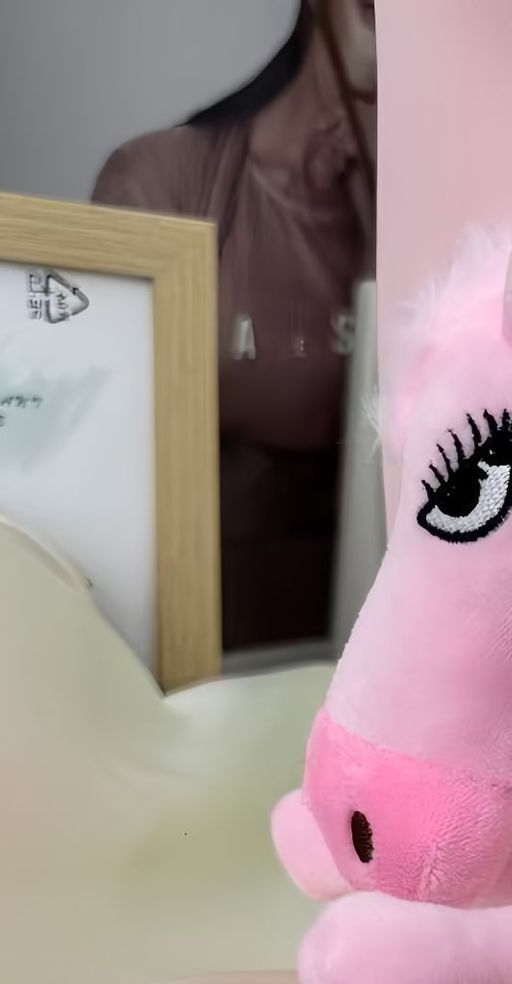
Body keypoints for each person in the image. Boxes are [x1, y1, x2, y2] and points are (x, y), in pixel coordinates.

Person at [93, 0, 377, 655]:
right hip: (192, 656)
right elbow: (108, 471)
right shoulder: (163, 183)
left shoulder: (431, 216)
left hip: (368, 663)